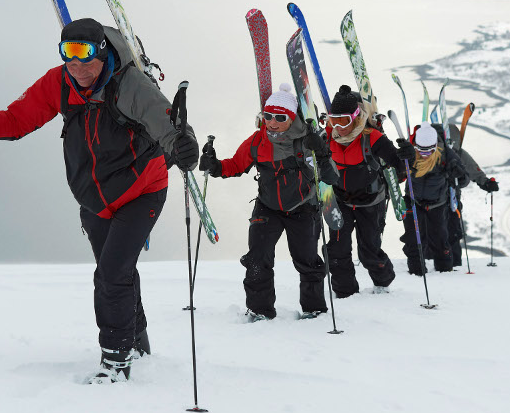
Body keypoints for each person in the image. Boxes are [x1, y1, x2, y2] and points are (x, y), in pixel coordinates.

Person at [0, 18, 199, 383]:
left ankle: (116, 361)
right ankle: (137, 343)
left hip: (142, 189)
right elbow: (17, 121)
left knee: (111, 274)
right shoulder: (59, 82)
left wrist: (183, 144)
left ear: (103, 52)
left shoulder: (130, 85)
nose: (76, 65)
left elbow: (167, 123)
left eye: (85, 55)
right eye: (68, 54)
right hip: (95, 201)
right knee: (118, 272)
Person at [198, 83, 338, 321]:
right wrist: (215, 166)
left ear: (292, 118)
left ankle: (314, 309)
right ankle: (259, 310)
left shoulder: (307, 141)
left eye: (280, 118)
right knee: (257, 258)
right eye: (268, 116)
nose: (272, 122)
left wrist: (323, 154)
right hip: (268, 207)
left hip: (303, 207)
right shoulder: (257, 141)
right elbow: (235, 165)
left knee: (307, 261)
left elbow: (331, 177)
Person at [324, 85, 415, 297]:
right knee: (337, 249)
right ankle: (345, 292)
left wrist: (408, 156)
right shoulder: (327, 137)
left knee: (369, 250)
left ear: (356, 118)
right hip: (340, 200)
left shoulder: (372, 137)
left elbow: (400, 167)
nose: (339, 126)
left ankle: (382, 283)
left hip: (371, 202)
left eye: (344, 120)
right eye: (334, 120)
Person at [399, 123, 469, 274]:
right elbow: (398, 173)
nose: (425, 154)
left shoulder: (446, 154)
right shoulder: (410, 153)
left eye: (429, 150)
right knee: (413, 239)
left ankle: (445, 269)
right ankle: (416, 271)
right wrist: (400, 160)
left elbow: (464, 181)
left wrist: (458, 175)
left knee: (439, 239)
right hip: (414, 202)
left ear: (435, 146)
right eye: (421, 150)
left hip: (437, 203)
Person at [439, 122, 499, 266]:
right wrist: (484, 182)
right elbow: (473, 169)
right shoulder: (457, 153)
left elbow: (473, 170)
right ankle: (451, 263)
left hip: (446, 199)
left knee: (447, 232)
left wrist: (485, 182)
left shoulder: (456, 154)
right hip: (448, 199)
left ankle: (450, 264)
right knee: (449, 232)